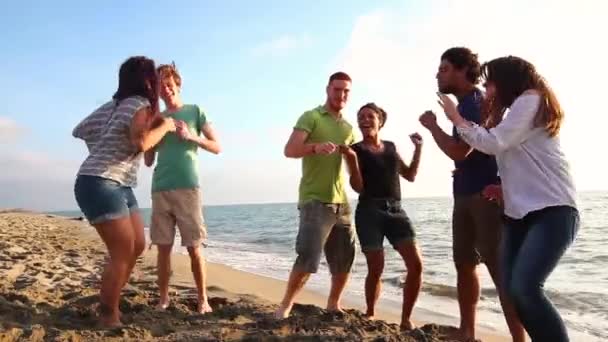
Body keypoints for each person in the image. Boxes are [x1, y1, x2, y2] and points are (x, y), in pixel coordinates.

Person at [438, 55, 578, 342]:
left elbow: (494, 143)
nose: (486, 89)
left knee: (526, 288)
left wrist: (455, 117)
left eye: (489, 83)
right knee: (515, 290)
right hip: (518, 214)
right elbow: (520, 155)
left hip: (552, 210)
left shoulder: (531, 98)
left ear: (506, 82)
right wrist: (505, 186)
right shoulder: (516, 110)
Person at [419, 47, 524, 341]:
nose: (438, 74)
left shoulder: (475, 102)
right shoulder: (466, 103)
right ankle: (467, 331)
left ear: (464, 70)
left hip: (485, 197)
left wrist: (433, 127)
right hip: (464, 194)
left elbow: (459, 152)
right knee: (464, 264)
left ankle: (520, 338)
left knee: (498, 269)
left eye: (444, 69)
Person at [72, 56, 177, 327]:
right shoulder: (139, 104)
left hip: (118, 183)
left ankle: (112, 303)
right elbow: (141, 143)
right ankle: (108, 316)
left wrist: (104, 146)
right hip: (100, 182)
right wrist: (166, 125)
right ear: (147, 81)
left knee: (137, 246)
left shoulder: (114, 105)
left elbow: (81, 130)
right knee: (122, 252)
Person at [274, 71, 357, 319]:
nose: (341, 94)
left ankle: (333, 304)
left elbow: (352, 165)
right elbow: (289, 150)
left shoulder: (348, 128)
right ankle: (285, 305)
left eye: (346, 91)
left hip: (342, 203)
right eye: (337, 89)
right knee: (308, 257)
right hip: (314, 201)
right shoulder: (311, 116)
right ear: (328, 89)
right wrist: (315, 147)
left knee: (344, 260)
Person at [144, 62, 221, 314]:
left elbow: (217, 145)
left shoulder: (195, 111)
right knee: (163, 249)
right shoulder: (157, 118)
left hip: (188, 188)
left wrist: (192, 137)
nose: (165, 90)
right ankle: (163, 299)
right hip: (160, 189)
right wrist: (149, 137)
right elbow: (147, 160)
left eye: (168, 84)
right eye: (160, 87)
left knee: (194, 247)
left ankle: (203, 299)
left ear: (177, 83)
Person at [344, 102, 423, 330]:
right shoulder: (355, 150)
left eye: (370, 116)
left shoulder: (390, 147)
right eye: (361, 117)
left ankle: (406, 319)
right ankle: (370, 312)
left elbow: (410, 175)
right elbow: (358, 187)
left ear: (380, 121)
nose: (365, 120)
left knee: (416, 266)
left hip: (396, 211)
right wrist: (351, 161)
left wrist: (418, 149)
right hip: (369, 211)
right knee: (376, 268)